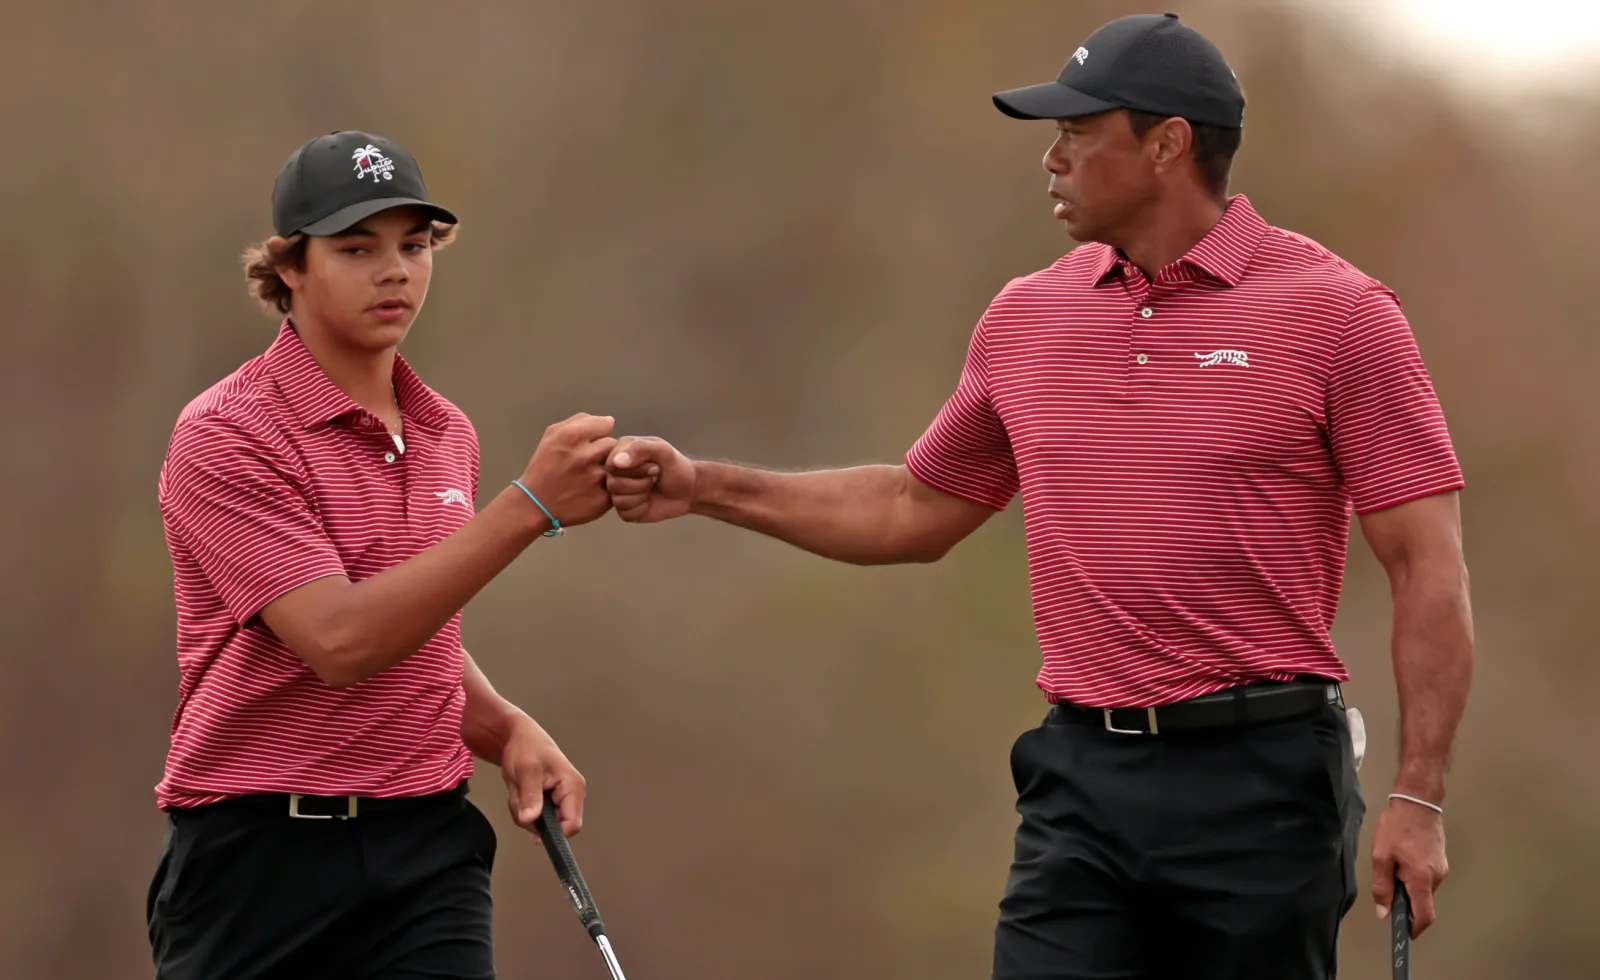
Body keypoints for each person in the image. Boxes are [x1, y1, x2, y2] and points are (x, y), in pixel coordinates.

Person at [602, 13, 1473, 980]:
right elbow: (912, 508)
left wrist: (1419, 794)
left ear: (1167, 145)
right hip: (1080, 783)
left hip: (1261, 783)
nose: (1052, 159)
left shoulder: (1338, 314)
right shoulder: (1028, 316)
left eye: (1077, 133)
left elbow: (1425, 565)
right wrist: (705, 486)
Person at [148, 130, 617, 980]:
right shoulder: (226, 434)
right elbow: (340, 640)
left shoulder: (446, 432)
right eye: (357, 249)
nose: (394, 271)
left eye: (415, 245)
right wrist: (529, 507)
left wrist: (502, 725)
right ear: (289, 266)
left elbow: (413, 623)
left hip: (425, 850)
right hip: (258, 861)